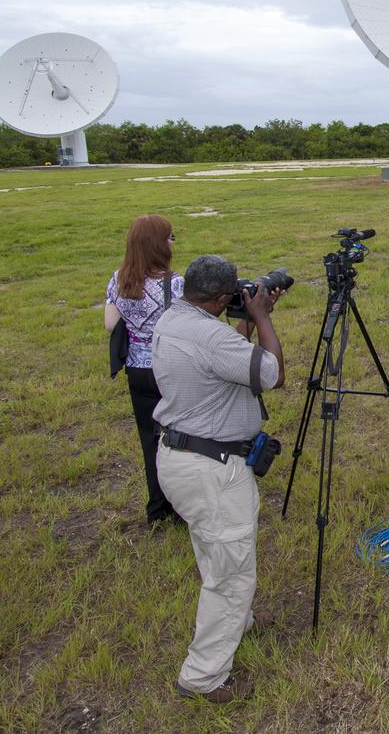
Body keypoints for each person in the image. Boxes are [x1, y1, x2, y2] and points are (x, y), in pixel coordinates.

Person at [152, 255, 285, 704]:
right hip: (213, 468)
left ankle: (237, 622)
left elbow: (226, 362)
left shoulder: (175, 316)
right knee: (231, 577)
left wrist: (247, 323)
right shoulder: (210, 336)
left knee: (214, 551)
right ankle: (204, 677)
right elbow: (271, 374)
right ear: (223, 298)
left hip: (179, 458)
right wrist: (262, 318)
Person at [103, 214, 185, 525]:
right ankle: (180, 508)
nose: (172, 243)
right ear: (158, 245)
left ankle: (157, 506)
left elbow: (110, 323)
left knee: (149, 438)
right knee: (177, 437)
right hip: (169, 369)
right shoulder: (176, 284)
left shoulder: (119, 279)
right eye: (170, 237)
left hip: (136, 370)